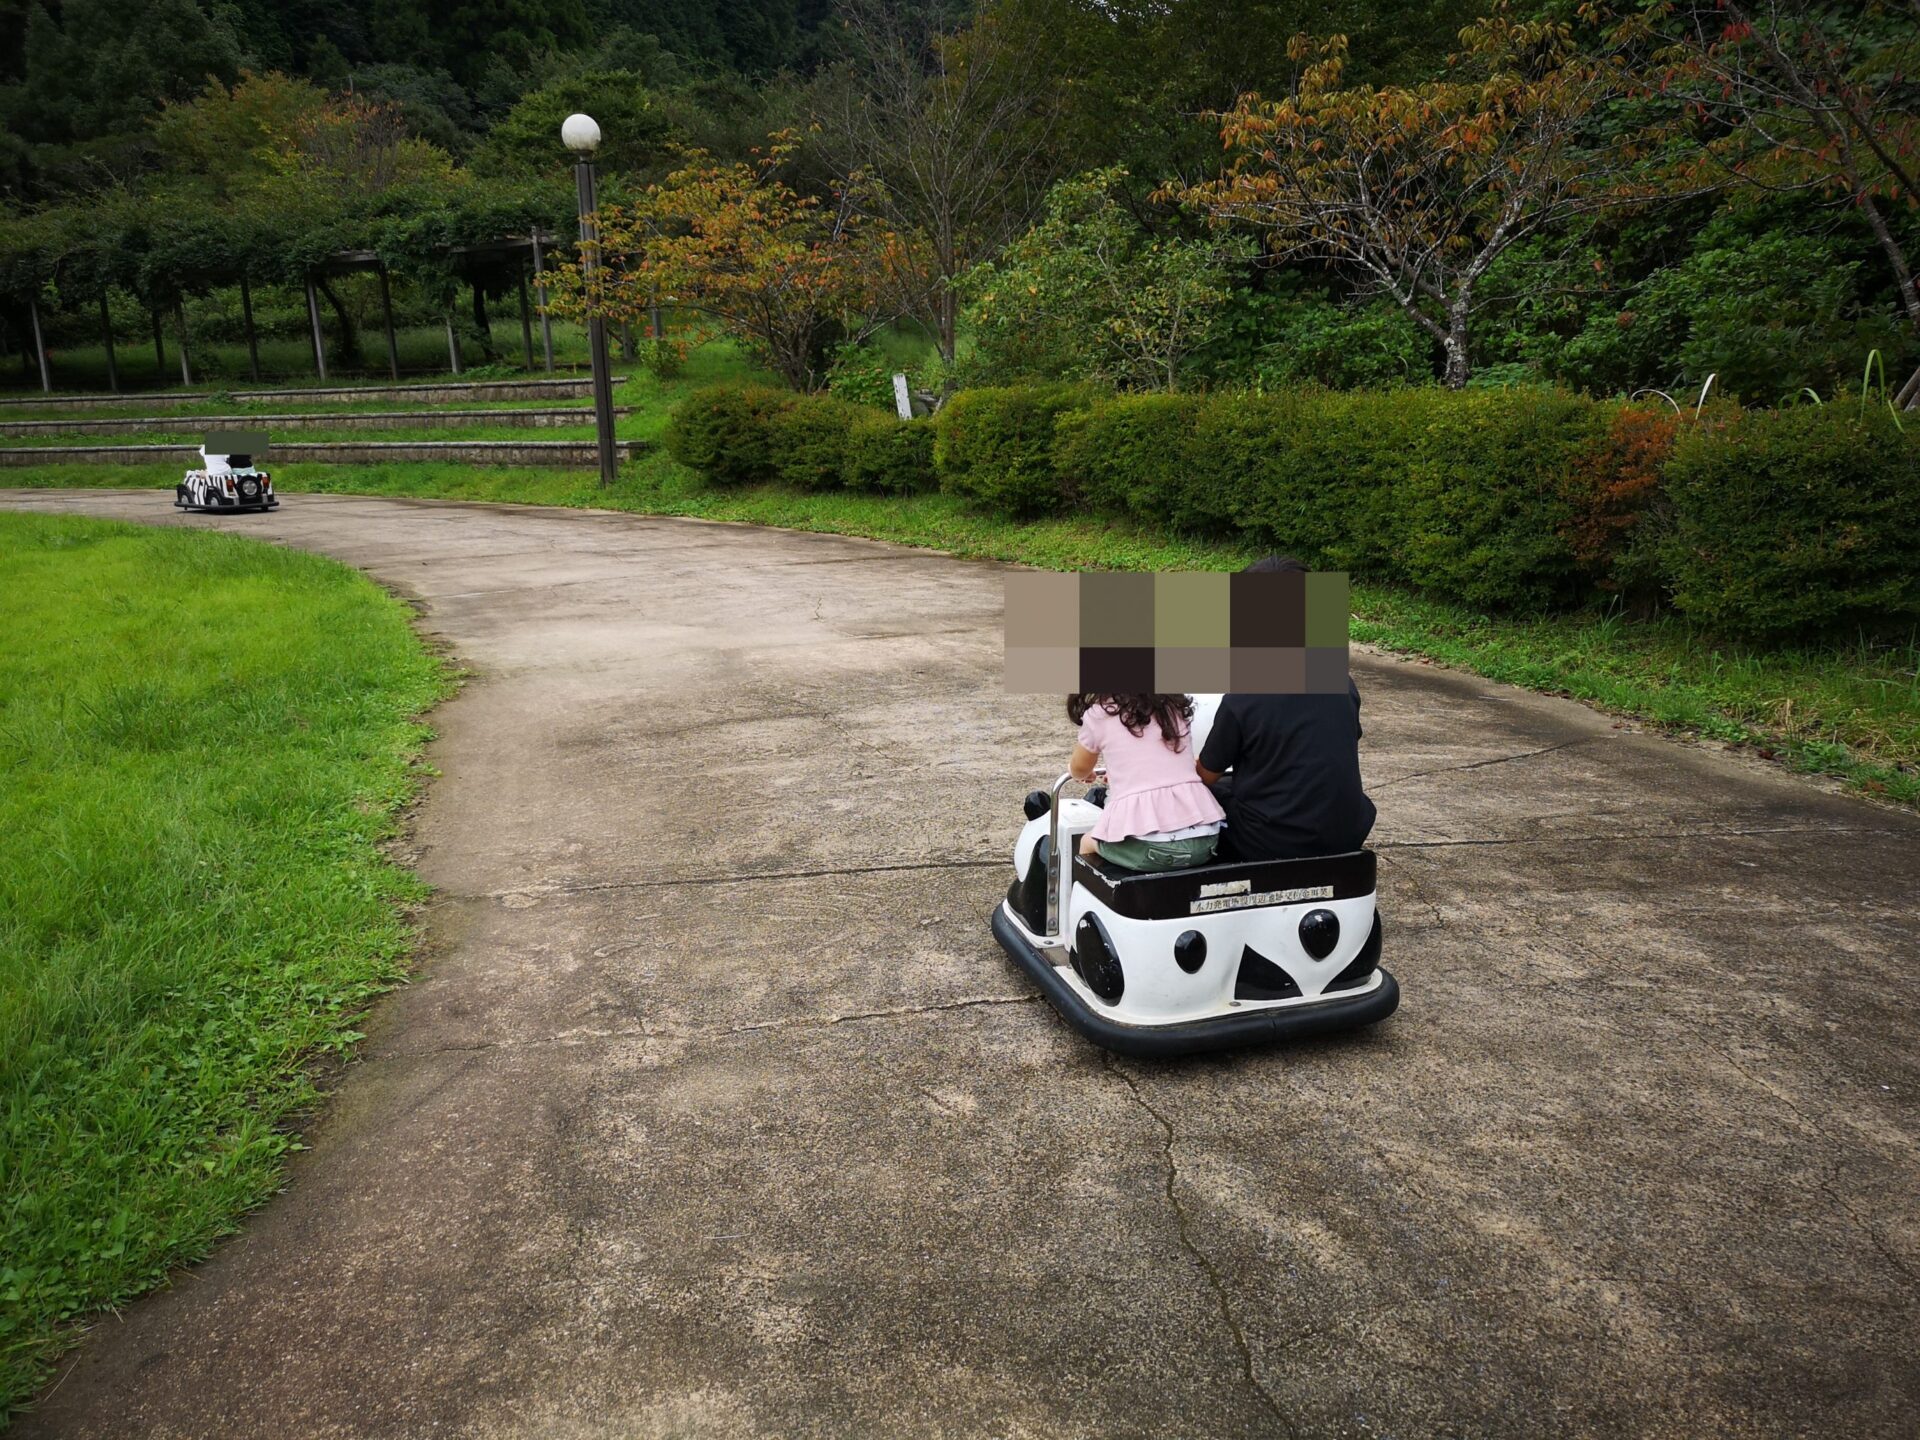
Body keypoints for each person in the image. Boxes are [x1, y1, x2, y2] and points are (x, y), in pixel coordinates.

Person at [1195, 555, 1377, 862]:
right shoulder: (1341, 682)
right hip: (1347, 833)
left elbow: (1204, 776)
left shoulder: (1243, 696)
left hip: (1267, 842)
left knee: (1192, 799)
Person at [1067, 692, 1226, 871]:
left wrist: (1081, 774)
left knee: (1087, 842)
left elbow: (1079, 768)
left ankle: (1077, 897)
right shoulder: (1174, 707)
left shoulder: (1099, 714)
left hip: (1150, 847)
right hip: (1205, 840)